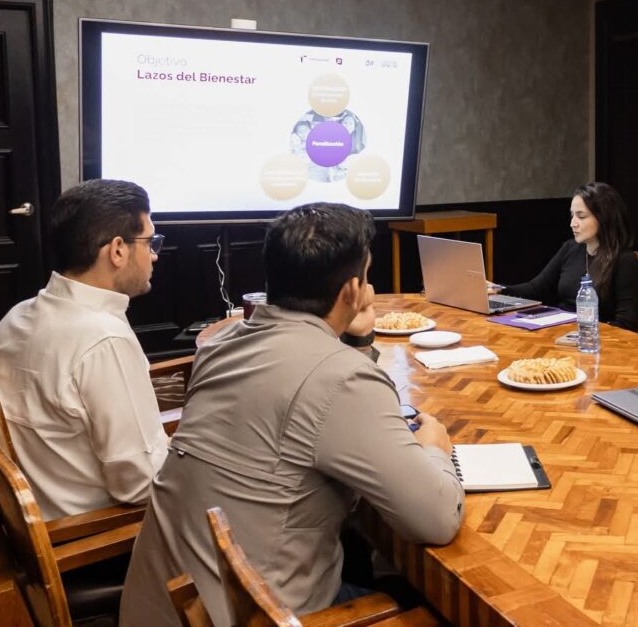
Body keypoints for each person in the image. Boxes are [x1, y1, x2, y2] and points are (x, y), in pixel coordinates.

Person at [120, 203, 464, 627]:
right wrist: (435, 449)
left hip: (168, 604)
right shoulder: (344, 380)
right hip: (260, 614)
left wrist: (356, 341)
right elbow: (437, 519)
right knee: (430, 604)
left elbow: (317, 403)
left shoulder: (221, 345)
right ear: (352, 291)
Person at [0, 179, 168, 521]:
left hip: (38, 516)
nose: (155, 255)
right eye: (149, 242)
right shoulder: (104, 340)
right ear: (118, 250)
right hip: (96, 532)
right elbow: (140, 485)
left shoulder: (16, 317)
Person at [500, 182, 638, 330]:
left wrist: (584, 334)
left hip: (595, 336)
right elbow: (535, 288)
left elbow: (627, 323)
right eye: (572, 215)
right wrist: (498, 289)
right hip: (560, 329)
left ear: (603, 217)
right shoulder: (570, 248)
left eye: (581, 216)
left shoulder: (624, 260)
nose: (573, 223)